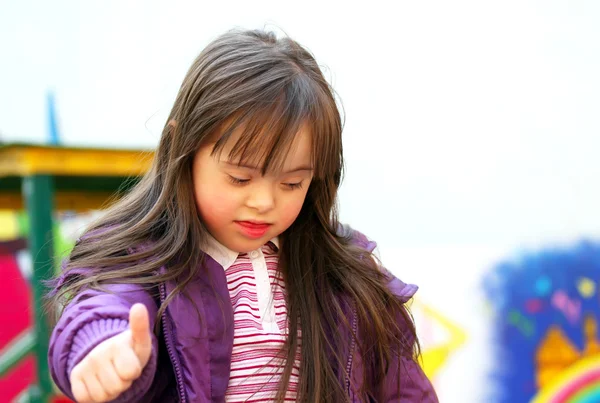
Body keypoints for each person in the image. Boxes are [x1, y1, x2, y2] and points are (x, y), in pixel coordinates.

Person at [47, 28, 438, 403]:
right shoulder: (144, 257)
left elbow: (402, 385)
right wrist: (102, 345)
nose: (264, 201)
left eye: (291, 184)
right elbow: (108, 304)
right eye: (240, 177)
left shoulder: (344, 270)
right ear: (182, 148)